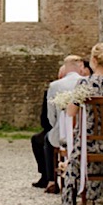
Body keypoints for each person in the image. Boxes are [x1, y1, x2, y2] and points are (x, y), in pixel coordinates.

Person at [61, 42, 103, 205]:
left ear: (93, 60)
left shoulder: (85, 84)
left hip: (88, 143)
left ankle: (72, 197)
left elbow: (71, 112)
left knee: (75, 154)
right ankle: (95, 193)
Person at [36, 56, 82, 192]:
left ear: (65, 68)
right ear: (80, 67)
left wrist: (58, 126)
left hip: (62, 133)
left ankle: (51, 180)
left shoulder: (55, 86)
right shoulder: (86, 82)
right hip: (83, 133)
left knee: (47, 140)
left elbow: (51, 116)